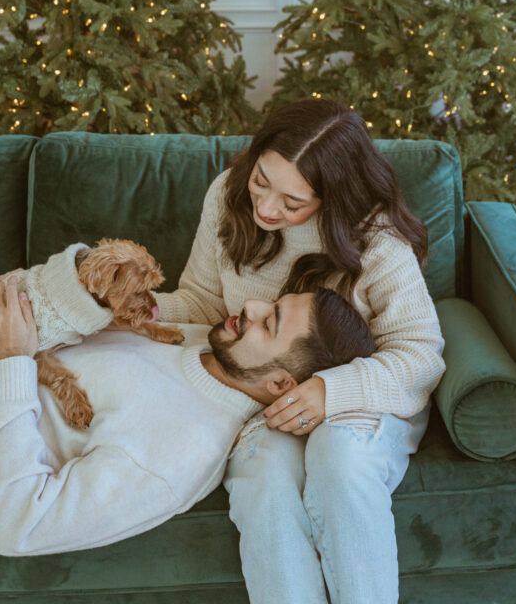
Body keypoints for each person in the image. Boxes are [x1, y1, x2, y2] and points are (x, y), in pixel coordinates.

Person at [154, 97, 446, 604]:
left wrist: (330, 391)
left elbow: (420, 354)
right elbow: (202, 301)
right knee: (264, 477)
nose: (266, 209)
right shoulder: (228, 194)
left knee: (338, 458)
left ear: (333, 198)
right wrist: (132, 310)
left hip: (366, 394)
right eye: (261, 182)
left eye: (292, 204)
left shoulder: (375, 240)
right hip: (267, 399)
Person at [0, 269, 374, 556]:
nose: (252, 307)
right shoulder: (199, 340)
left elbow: (19, 527)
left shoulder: (179, 453)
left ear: (280, 384)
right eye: (272, 303)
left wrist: (12, 358)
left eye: (269, 322)